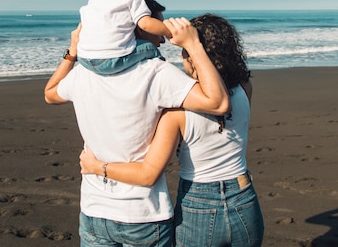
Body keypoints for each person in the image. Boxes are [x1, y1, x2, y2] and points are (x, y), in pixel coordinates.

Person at [44, 0, 230, 247]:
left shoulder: (83, 73)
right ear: (140, 27)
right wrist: (193, 45)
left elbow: (50, 93)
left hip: (94, 210)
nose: (163, 37)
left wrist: (73, 52)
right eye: (158, 27)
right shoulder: (157, 73)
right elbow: (217, 102)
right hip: (143, 215)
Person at [80, 14, 265, 247]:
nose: (181, 56)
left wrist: (97, 167)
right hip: (245, 198)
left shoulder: (177, 112)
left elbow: (148, 174)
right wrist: (193, 46)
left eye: (185, 51)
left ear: (194, 54)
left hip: (199, 206)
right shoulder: (244, 88)